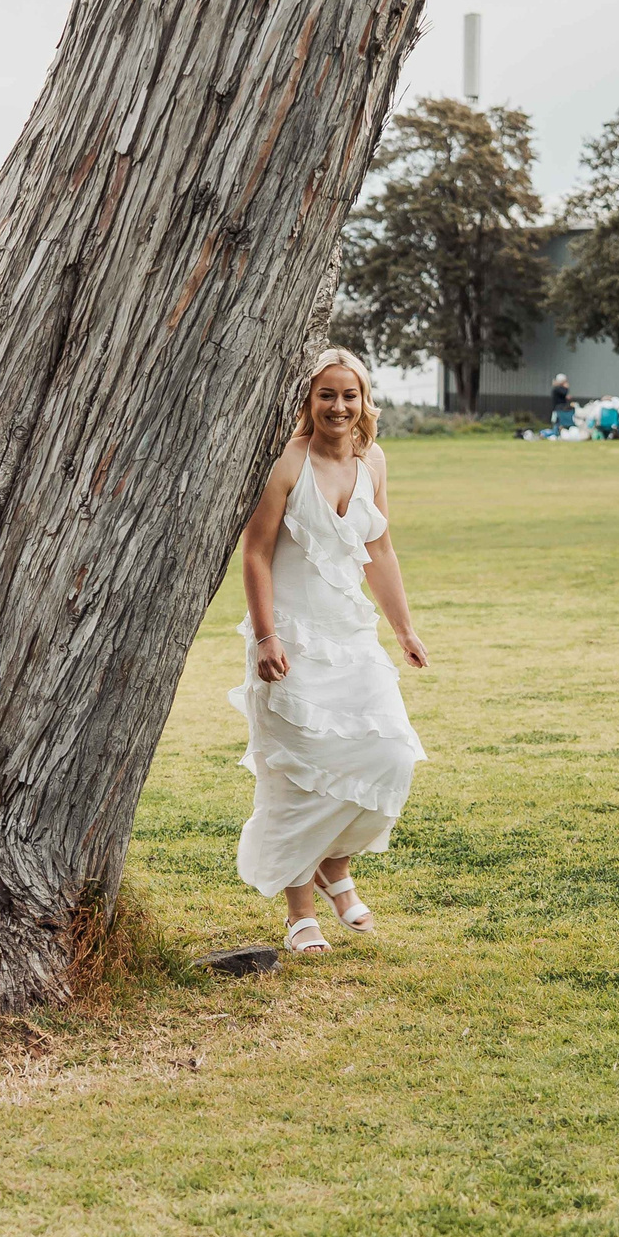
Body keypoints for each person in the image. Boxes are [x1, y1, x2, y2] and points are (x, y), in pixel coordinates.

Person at [229, 347, 429, 954]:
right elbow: (256, 552)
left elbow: (380, 550)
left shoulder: (374, 461)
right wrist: (266, 636)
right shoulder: (287, 463)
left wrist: (404, 629)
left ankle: (334, 863)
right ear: (309, 401)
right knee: (298, 775)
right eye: (326, 395)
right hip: (288, 638)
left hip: (351, 635)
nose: (338, 406)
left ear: (364, 401)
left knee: (390, 755)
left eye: (349, 395)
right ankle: (301, 913)